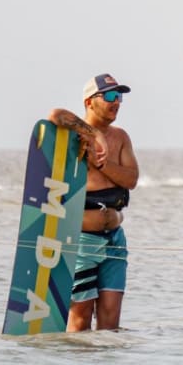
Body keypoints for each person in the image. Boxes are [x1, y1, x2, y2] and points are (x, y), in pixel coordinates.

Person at [48, 73, 139, 332]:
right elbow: (55, 114)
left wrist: (102, 163)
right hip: (81, 241)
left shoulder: (121, 137)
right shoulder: (73, 135)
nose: (116, 102)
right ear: (90, 101)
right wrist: (94, 135)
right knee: (81, 318)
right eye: (110, 96)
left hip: (115, 240)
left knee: (110, 323)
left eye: (119, 97)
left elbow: (131, 179)